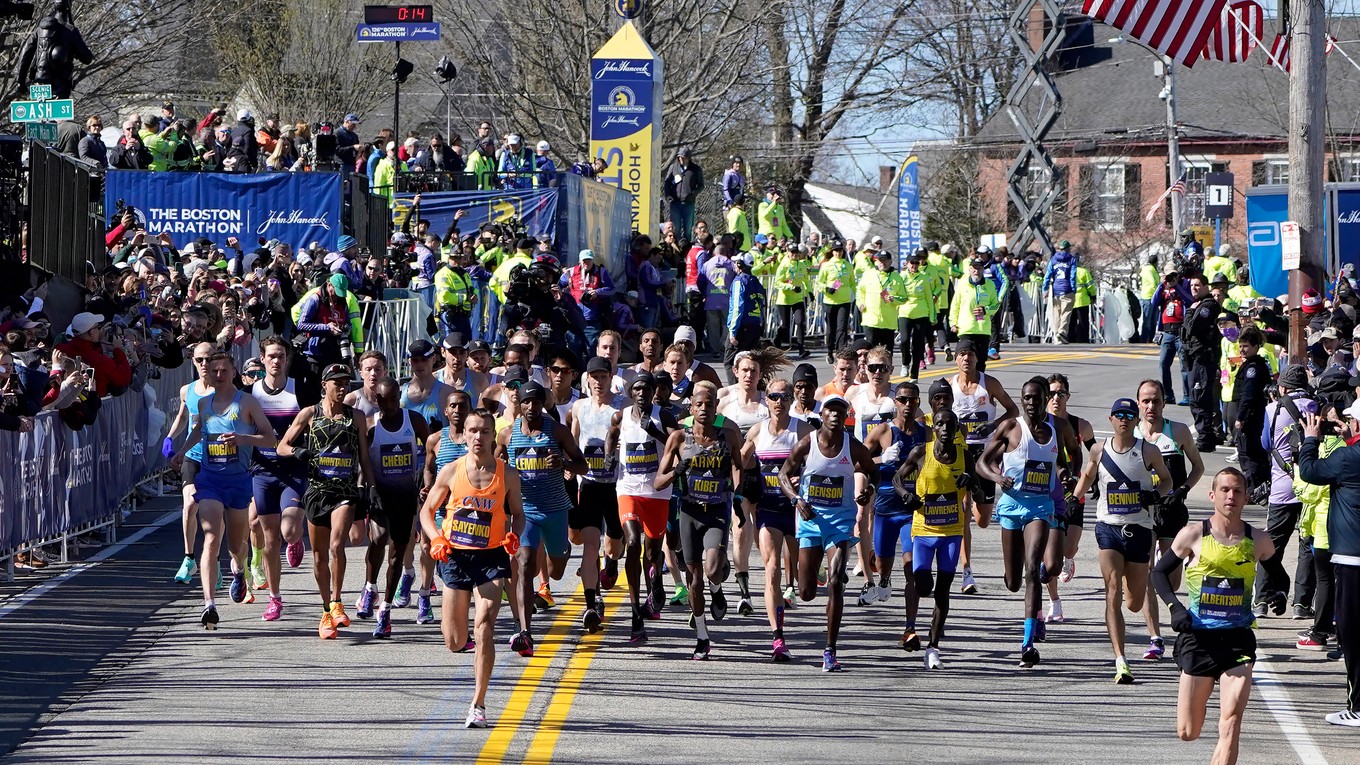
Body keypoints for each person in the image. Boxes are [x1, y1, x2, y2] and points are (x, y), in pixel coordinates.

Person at [1152, 467, 1276, 759]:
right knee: (1188, 731)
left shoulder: (1259, 540)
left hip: (1238, 640)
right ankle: (1200, 695)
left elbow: (1277, 575)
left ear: (1246, 497)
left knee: (1231, 722)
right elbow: (1158, 573)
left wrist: (1278, 594)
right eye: (1225, 490)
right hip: (1198, 639)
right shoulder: (1193, 535)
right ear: (1212, 495)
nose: (1231, 496)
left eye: (1237, 491)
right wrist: (1175, 608)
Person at [421, 406, 525, 729]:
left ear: (494, 436)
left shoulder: (507, 474)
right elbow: (427, 511)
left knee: (484, 627)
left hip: (491, 557)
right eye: (473, 431)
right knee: (454, 640)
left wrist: (513, 536)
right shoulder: (451, 471)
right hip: (456, 557)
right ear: (464, 435)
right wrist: (436, 538)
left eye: (484, 431)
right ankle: (464, 642)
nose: (478, 437)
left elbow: (518, 514)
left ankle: (478, 704)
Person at [977, 376, 1079, 666]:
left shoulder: (1056, 427)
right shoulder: (1010, 428)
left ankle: (1028, 643)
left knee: (1033, 568)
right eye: (1026, 398)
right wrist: (998, 477)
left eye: (1037, 397)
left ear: (1046, 398)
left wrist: (1065, 474)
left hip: (1040, 506)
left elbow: (1064, 459)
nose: (1031, 403)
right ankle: (1021, 593)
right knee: (1013, 581)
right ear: (1021, 400)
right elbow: (982, 463)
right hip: (1011, 506)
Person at [171, 352, 277, 628]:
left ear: (234, 373)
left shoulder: (246, 402)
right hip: (210, 480)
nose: (217, 375)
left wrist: (242, 438)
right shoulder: (204, 403)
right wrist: (182, 451)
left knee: (235, 546)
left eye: (223, 371)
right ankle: (209, 604)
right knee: (210, 537)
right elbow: (198, 431)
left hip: (238, 481)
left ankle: (239, 570)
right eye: (214, 370)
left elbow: (270, 438)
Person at [1073, 397, 1172, 684]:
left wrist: (1155, 495)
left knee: (1134, 600)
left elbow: (1166, 480)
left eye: (1129, 415)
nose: (1124, 420)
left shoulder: (1148, 451)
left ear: (1135, 420)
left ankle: (1134, 596)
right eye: (1119, 415)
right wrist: (1073, 500)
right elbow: (1087, 476)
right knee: (1113, 587)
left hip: (1140, 529)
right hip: (1108, 528)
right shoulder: (1099, 450)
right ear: (1111, 420)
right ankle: (1121, 659)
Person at [779, 393, 877, 671]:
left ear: (845, 416)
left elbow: (874, 472)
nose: (835, 415)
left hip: (840, 523)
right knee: (807, 592)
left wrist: (868, 490)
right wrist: (796, 501)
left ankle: (830, 650)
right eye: (830, 410)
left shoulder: (853, 447)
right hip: (811, 521)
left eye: (840, 411)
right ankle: (814, 571)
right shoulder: (807, 443)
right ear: (821, 415)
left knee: (836, 581)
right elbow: (784, 474)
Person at [277, 363, 373, 640]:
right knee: (318, 555)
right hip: (317, 491)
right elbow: (281, 446)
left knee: (336, 545)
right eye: (337, 383)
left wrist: (370, 487)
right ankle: (325, 611)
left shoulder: (355, 416)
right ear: (324, 385)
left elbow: (364, 456)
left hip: (344, 491)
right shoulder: (310, 413)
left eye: (346, 383)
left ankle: (337, 600)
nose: (343, 388)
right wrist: (297, 452)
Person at [495, 380, 588, 655]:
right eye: (526, 401)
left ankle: (557, 552)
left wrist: (564, 464)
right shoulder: (508, 435)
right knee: (523, 565)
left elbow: (582, 464)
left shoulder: (556, 431)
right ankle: (525, 631)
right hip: (525, 512)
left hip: (556, 510)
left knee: (557, 571)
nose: (531, 406)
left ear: (543, 403)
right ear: (519, 404)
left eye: (536, 401)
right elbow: (494, 465)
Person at [656, 381, 743, 659]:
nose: (704, 409)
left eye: (710, 404)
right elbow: (659, 481)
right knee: (694, 579)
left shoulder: (728, 436)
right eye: (699, 404)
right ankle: (702, 636)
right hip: (689, 512)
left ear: (716, 408)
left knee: (712, 568)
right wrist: (677, 471)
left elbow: (739, 469)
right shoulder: (679, 439)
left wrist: (737, 495)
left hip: (717, 511)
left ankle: (717, 589)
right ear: (691, 408)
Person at [1132, 378, 1205, 660]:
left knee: (1171, 583)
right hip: (1142, 514)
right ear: (1138, 403)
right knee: (1149, 575)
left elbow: (1198, 466)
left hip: (1173, 511)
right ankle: (1155, 637)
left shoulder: (1178, 431)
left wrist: (1184, 488)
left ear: (1164, 402)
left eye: (1156, 400)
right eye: (1146, 401)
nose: (1151, 406)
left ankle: (1174, 608)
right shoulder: (1134, 434)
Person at [1297, 408, 1360, 727]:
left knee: (1351, 634)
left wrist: (1311, 439)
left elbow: (1309, 471)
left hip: (1352, 558)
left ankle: (1358, 706)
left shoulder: (1349, 458)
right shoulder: (1352, 453)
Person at [893, 406, 968, 668]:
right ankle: (924, 622)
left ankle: (933, 647)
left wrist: (972, 483)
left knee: (943, 593)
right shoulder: (921, 452)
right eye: (940, 424)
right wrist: (905, 495)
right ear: (933, 428)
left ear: (957, 428)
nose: (945, 429)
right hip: (924, 532)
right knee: (924, 586)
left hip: (951, 532)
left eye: (951, 424)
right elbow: (897, 478)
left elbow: (980, 492)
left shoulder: (963, 456)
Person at [740, 378, 809, 660]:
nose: (779, 401)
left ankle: (806, 579)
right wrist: (739, 492)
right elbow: (738, 462)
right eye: (773, 396)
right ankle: (777, 637)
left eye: (784, 396)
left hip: (797, 513)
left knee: (804, 587)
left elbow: (821, 462)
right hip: (768, 510)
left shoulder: (802, 431)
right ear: (765, 400)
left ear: (791, 399)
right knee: (771, 571)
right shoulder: (757, 432)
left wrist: (803, 477)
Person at [357, 378, 430, 638]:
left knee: (398, 554)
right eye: (382, 400)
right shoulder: (371, 425)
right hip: (380, 493)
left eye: (392, 399)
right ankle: (369, 587)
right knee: (377, 538)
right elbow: (363, 460)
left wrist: (425, 472)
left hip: (405, 495)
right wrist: (364, 488)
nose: (388, 405)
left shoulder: (414, 421)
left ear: (399, 395)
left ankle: (385, 610)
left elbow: (431, 447)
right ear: (376, 399)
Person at [614, 372, 680, 643]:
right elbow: (610, 435)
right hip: (627, 489)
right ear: (631, 393)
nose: (642, 393)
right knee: (632, 543)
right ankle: (635, 614)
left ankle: (656, 580)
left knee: (653, 550)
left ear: (653, 391)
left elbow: (678, 444)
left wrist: (652, 430)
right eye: (637, 388)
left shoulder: (662, 416)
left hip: (657, 492)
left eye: (646, 388)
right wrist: (608, 457)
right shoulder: (621, 416)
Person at [950, 337, 1018, 594]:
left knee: (983, 519)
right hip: (959, 455)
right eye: (962, 354)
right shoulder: (949, 386)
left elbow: (1013, 410)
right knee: (964, 513)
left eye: (970, 354)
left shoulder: (989, 384)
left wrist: (993, 425)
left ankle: (981, 511)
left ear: (978, 358)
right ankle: (967, 572)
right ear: (956, 359)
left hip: (985, 457)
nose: (966, 358)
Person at [248, 337, 308, 622]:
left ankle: (296, 540)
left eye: (281, 356)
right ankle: (275, 599)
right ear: (262, 359)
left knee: (289, 530)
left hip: (293, 469)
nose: (276, 361)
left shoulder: (299, 388)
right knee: (270, 539)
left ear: (287, 359)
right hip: (263, 471)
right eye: (271, 356)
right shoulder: (252, 393)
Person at [1255, 364, 1318, 621]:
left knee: (1272, 545)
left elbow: (1265, 444)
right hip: (1311, 488)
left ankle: (1261, 599)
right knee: (1307, 545)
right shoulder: (1316, 407)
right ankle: (1301, 604)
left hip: (1281, 488)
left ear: (1282, 387)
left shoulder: (1273, 408)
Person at [863, 382, 929, 610]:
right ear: (895, 402)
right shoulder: (883, 430)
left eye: (913, 400)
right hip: (886, 508)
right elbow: (856, 461)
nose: (908, 404)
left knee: (911, 564)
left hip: (914, 510)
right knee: (882, 561)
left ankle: (910, 619)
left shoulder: (926, 432)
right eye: (903, 399)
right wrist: (882, 459)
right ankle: (884, 578)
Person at [570, 356, 624, 633]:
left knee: (613, 543)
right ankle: (592, 603)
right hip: (589, 484)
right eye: (595, 377)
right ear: (588, 379)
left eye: (604, 377)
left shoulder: (622, 408)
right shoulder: (579, 408)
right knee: (590, 546)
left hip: (616, 486)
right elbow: (573, 441)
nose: (599, 382)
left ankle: (612, 562)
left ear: (611, 377)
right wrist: (570, 469)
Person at [164, 342, 215, 584]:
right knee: (189, 506)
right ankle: (189, 558)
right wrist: (169, 438)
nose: (204, 364)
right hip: (193, 455)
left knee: (214, 512)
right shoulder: (188, 390)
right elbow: (183, 417)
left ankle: (213, 561)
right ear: (193, 361)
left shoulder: (223, 389)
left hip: (218, 455)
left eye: (209, 359)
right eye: (200, 360)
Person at [1181, 274, 1224, 452]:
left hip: (1204, 360)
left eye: (1198, 285)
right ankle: (1207, 436)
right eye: (1192, 285)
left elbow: (1193, 328)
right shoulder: (1199, 305)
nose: (1194, 288)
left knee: (1199, 399)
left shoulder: (1207, 307)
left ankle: (1205, 437)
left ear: (1206, 287)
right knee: (1197, 398)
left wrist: (1190, 311)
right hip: (1195, 359)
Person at [949, 256, 1001, 373]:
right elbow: (955, 305)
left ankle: (979, 386)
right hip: (966, 329)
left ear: (983, 270)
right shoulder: (962, 284)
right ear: (969, 269)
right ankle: (965, 385)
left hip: (982, 330)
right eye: (973, 268)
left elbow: (996, 305)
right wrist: (953, 323)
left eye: (979, 268)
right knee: (964, 361)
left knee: (980, 361)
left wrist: (985, 310)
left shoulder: (989, 285)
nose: (976, 271)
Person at [898, 250, 938, 380]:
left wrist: (932, 316)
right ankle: (905, 363)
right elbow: (896, 293)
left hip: (921, 314)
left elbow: (928, 299)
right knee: (904, 340)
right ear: (907, 264)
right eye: (912, 263)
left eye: (916, 263)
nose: (914, 265)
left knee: (917, 344)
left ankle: (914, 372)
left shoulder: (923, 278)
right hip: (905, 312)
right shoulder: (901, 276)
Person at [816, 243, 856, 362]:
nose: (838, 252)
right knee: (831, 329)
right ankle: (829, 351)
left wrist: (852, 293)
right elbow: (819, 283)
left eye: (840, 250)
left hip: (844, 301)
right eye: (836, 250)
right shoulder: (827, 265)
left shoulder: (848, 265)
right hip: (830, 301)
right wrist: (826, 288)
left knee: (842, 328)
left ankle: (841, 353)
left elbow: (852, 282)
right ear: (832, 252)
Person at [1042, 241, 1078, 343]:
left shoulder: (1053, 259)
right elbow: (1072, 275)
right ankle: (1062, 331)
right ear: (1068, 248)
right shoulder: (1071, 260)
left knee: (1056, 313)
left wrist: (1045, 289)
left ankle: (1056, 335)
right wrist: (1073, 288)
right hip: (1067, 288)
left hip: (1056, 289)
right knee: (1066, 312)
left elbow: (1048, 275)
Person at [663, 146, 703, 237]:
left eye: (684, 157)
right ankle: (675, 248)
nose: (681, 159)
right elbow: (667, 182)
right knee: (675, 228)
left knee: (688, 229)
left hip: (688, 203)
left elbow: (701, 185)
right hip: (675, 202)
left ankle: (686, 248)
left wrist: (693, 194)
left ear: (688, 158)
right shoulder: (673, 167)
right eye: (680, 157)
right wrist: (668, 194)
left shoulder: (696, 169)